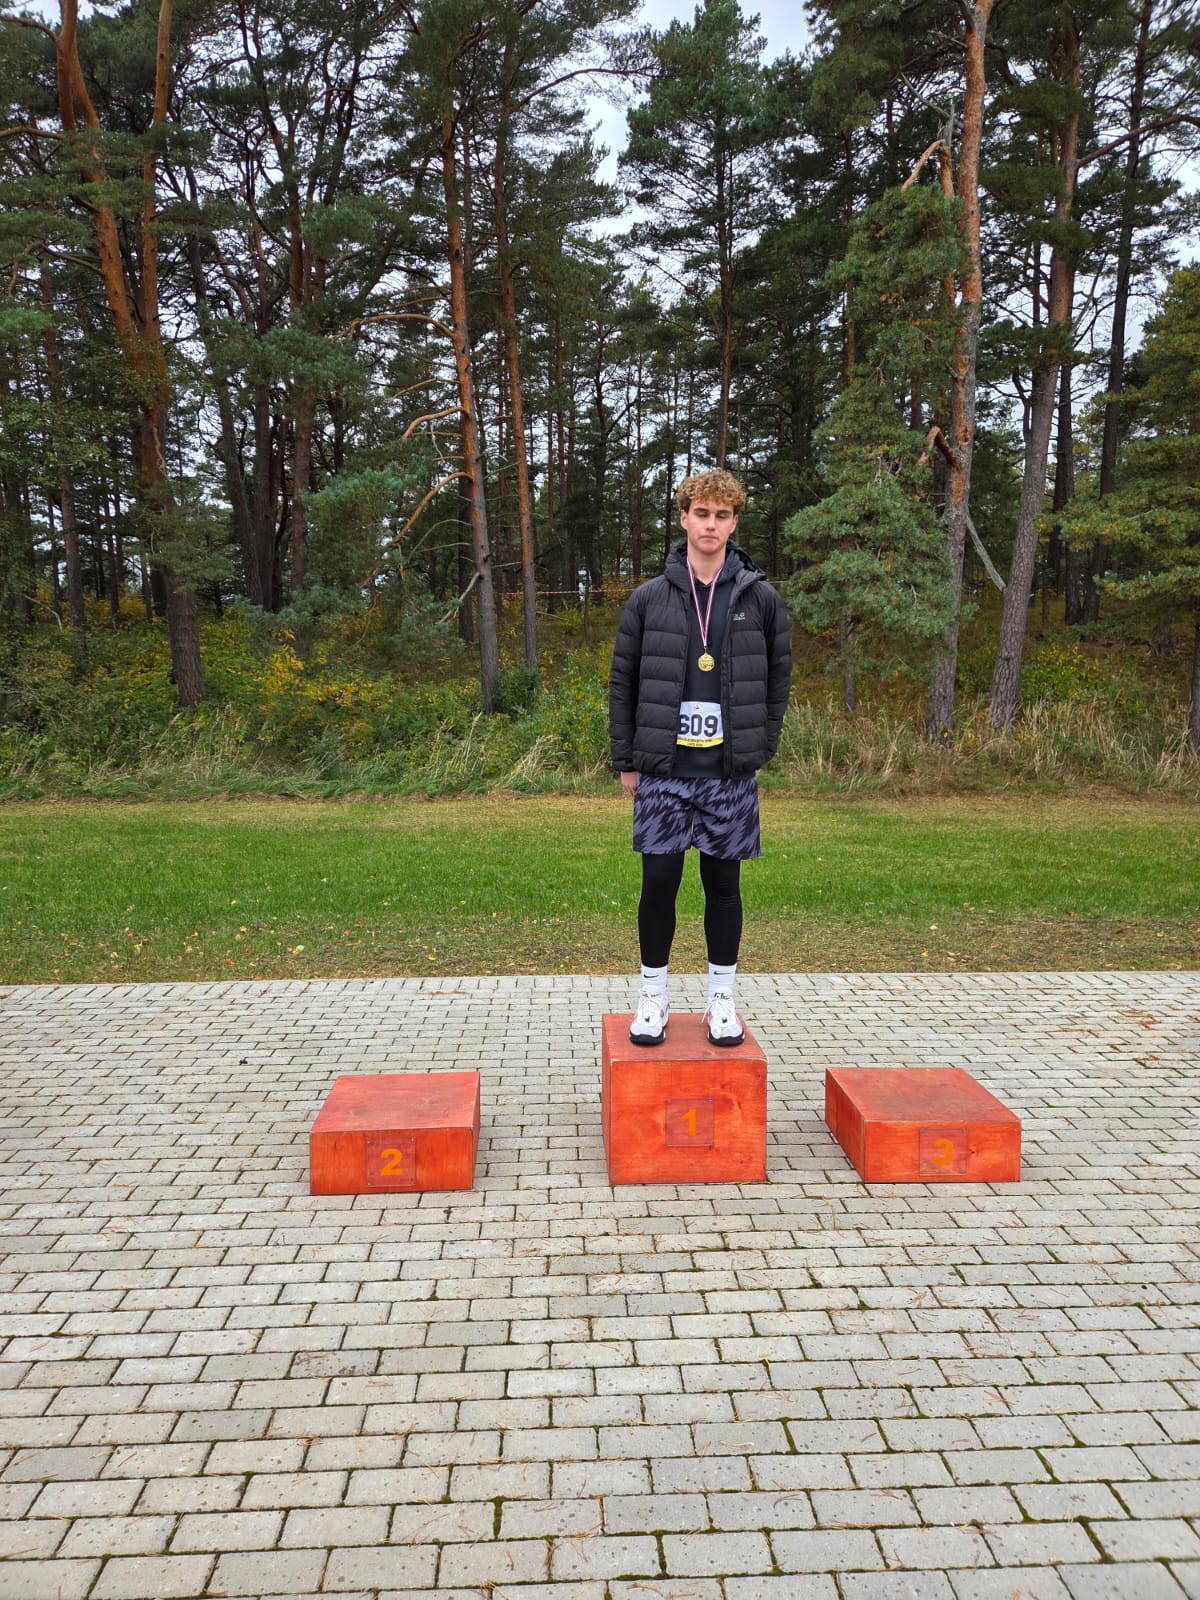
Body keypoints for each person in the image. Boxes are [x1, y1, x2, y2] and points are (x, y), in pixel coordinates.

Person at [609, 468, 792, 1047]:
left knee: (723, 885)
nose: (711, 524)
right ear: (685, 518)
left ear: (733, 523)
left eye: (722, 515)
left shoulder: (760, 599)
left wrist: (761, 747)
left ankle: (721, 999)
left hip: (727, 772)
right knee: (659, 882)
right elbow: (623, 682)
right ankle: (653, 997)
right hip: (663, 769)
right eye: (702, 513)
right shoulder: (648, 599)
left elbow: (779, 680)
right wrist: (626, 760)